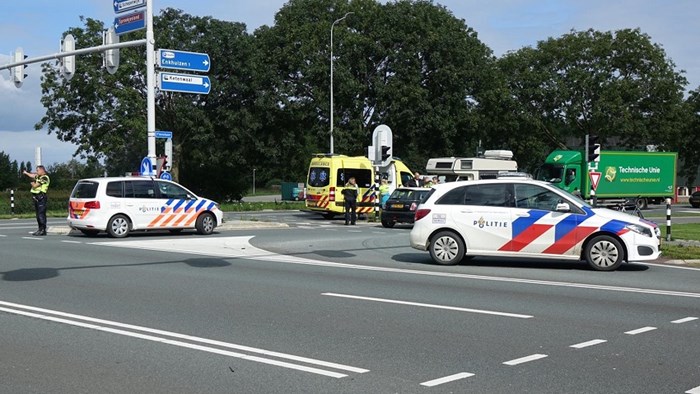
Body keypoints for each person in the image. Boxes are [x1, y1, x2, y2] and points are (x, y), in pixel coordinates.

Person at [23, 165, 51, 236]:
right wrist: (26, 173)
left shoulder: (45, 177)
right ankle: (39, 229)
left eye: (38, 170)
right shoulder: (39, 177)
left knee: (41, 215)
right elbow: (32, 175)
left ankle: (43, 230)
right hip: (37, 198)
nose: (36, 172)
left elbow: (36, 185)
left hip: (41, 197)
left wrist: (32, 183)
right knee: (38, 215)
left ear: (42, 170)